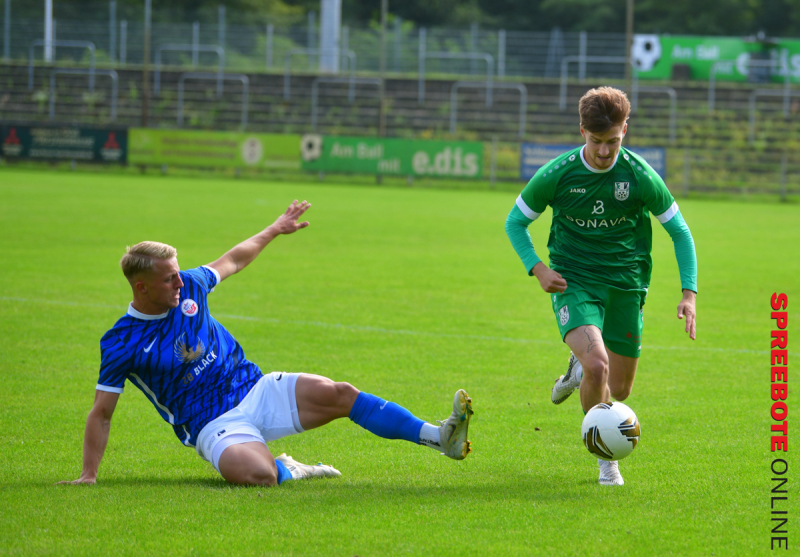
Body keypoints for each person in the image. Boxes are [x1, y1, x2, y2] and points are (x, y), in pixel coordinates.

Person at [60, 200, 473, 487]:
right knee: (259, 476)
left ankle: (440, 438)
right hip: (212, 423)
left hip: (254, 387)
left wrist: (275, 229)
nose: (181, 282)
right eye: (170, 279)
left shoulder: (192, 286)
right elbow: (102, 413)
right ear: (142, 287)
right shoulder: (121, 342)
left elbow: (233, 259)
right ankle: (290, 468)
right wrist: (88, 475)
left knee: (341, 393)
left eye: (179, 274)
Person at [504, 87, 697, 486]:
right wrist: (538, 268)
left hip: (626, 283)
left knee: (620, 389)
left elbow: (680, 231)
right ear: (582, 132)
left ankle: (577, 370)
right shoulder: (558, 174)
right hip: (574, 279)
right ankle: (605, 460)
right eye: (596, 141)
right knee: (599, 366)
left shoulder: (639, 175)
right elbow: (515, 222)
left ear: (625, 129)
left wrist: (688, 294)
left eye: (613, 141)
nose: (605, 151)